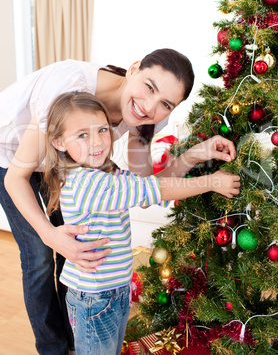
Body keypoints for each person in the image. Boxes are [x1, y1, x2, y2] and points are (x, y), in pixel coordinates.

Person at [0, 48, 236, 354]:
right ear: (133, 68)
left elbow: (148, 188)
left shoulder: (142, 120)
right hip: (11, 155)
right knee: (40, 257)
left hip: (62, 163)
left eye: (166, 103)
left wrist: (199, 153)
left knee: (72, 251)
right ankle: (53, 349)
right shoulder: (69, 87)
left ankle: (75, 341)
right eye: (149, 87)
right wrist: (49, 234)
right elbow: (15, 178)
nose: (150, 107)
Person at [44, 91, 240, 355]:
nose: (97, 142)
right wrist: (212, 182)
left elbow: (151, 186)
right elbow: (155, 189)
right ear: (59, 142)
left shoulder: (103, 172)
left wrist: (196, 154)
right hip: (95, 297)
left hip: (112, 290)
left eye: (102, 129)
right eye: (82, 135)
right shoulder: (89, 183)